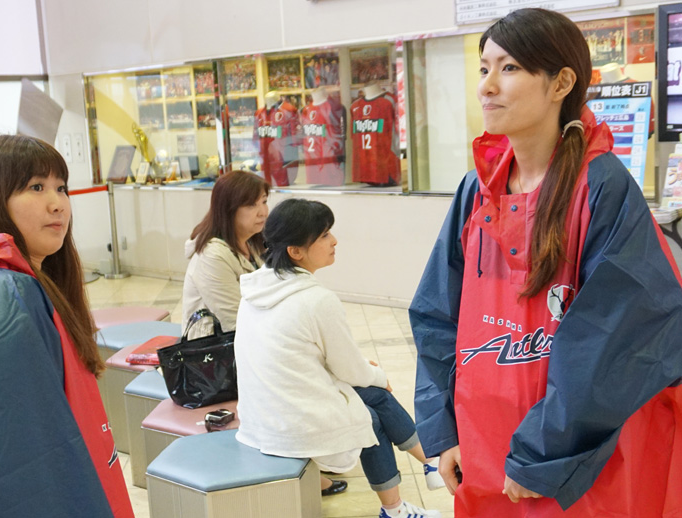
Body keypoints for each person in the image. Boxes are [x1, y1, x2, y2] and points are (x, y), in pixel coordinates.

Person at [410, 8, 682, 518]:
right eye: (484, 68)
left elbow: (614, 341)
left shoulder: (601, 187)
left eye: (509, 68)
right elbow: (436, 315)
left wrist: (541, 454)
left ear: (561, 83)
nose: (487, 86)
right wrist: (443, 430)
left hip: (571, 461)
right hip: (483, 446)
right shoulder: (476, 190)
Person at [0, 135, 134, 518]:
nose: (57, 203)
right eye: (36, 187)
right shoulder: (7, 294)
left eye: (60, 188)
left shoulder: (18, 282)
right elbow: (10, 468)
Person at [235, 198, 441, 518]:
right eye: (324, 235)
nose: (334, 241)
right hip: (290, 423)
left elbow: (321, 359)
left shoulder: (255, 290)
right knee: (368, 417)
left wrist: (367, 374)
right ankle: (396, 508)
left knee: (373, 393)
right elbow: (349, 369)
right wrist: (378, 375)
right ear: (296, 251)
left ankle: (431, 463)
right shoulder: (316, 300)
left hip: (261, 415)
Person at [182, 170, 269, 337]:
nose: (263, 212)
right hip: (217, 345)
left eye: (264, 202)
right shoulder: (212, 255)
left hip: (252, 333)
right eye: (252, 205)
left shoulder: (252, 242)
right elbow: (237, 320)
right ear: (229, 209)